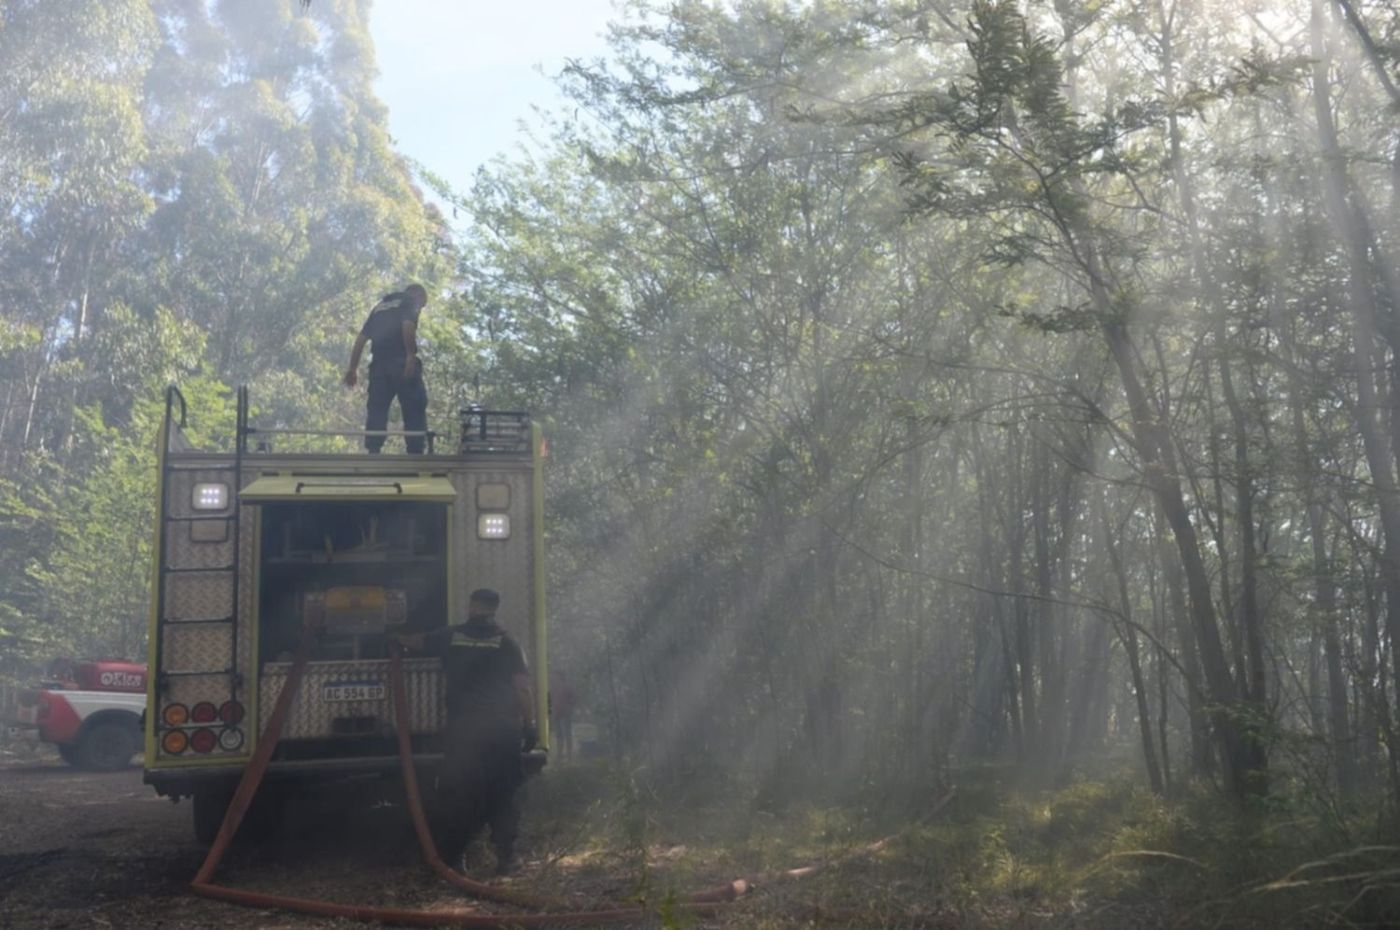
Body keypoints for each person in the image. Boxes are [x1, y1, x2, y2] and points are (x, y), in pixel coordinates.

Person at [396, 588, 536, 875]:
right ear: (495, 609)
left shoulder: (451, 636)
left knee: (461, 794)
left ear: (472, 606)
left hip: (465, 730)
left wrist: (395, 637)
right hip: (503, 729)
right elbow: (523, 688)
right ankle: (507, 858)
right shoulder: (508, 643)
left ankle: (456, 859)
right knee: (504, 793)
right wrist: (530, 725)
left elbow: (418, 642)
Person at [343, 283, 429, 453]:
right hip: (401, 363)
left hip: (379, 368)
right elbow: (407, 325)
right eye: (422, 304)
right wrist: (410, 355)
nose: (420, 309)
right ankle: (415, 451)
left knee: (377, 408)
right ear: (417, 295)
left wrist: (352, 368)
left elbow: (361, 339)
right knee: (414, 405)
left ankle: (373, 450)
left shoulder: (379, 307)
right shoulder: (409, 301)